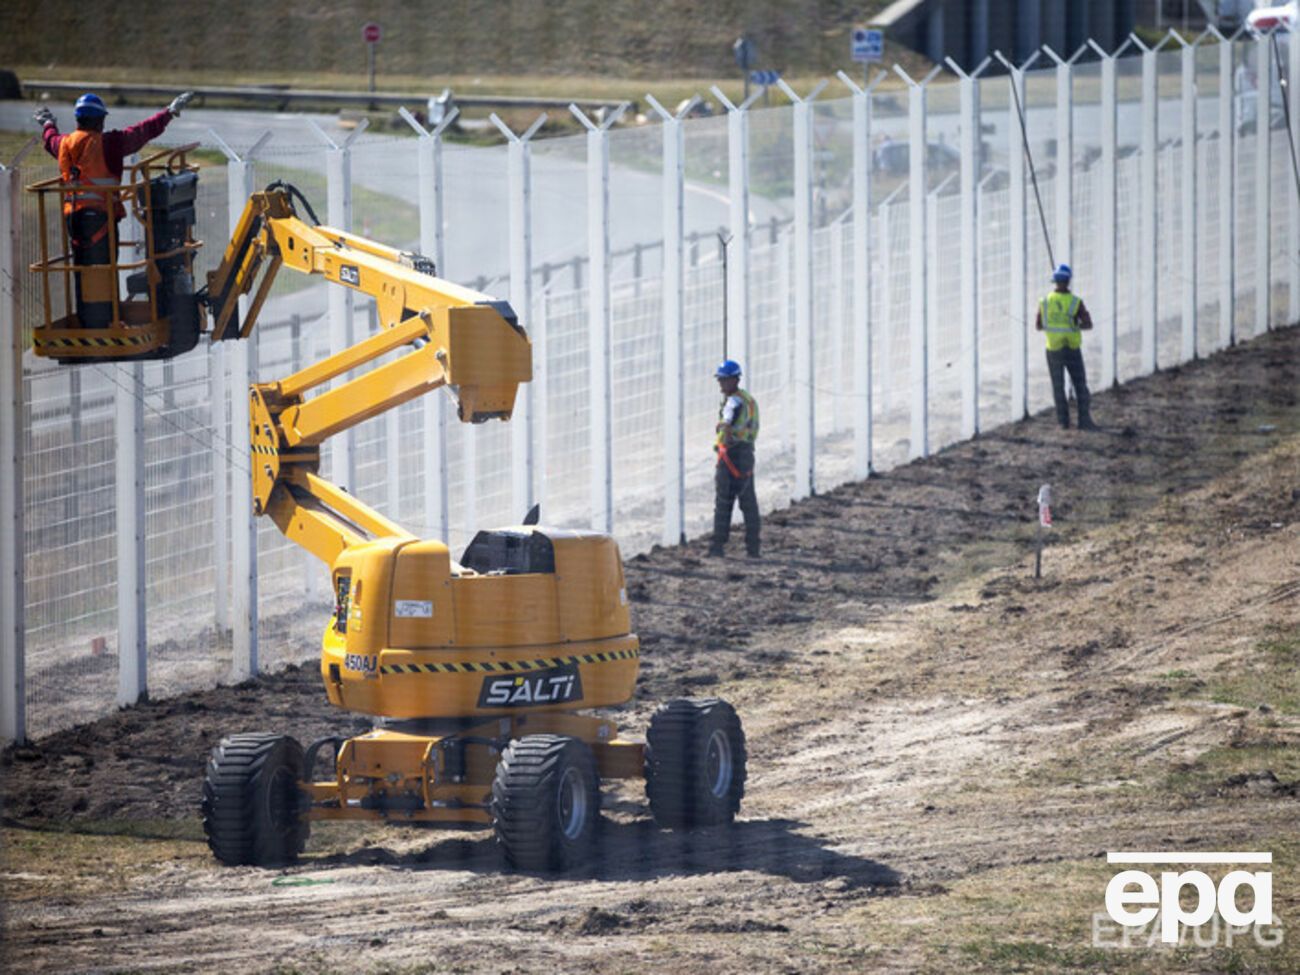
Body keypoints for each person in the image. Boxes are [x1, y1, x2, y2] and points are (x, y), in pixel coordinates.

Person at [34, 90, 193, 326]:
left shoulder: (65, 143)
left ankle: (90, 318)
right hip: (102, 218)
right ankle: (106, 319)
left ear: (78, 119)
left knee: (83, 268)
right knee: (106, 267)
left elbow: (51, 141)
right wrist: (169, 113)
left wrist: (48, 123)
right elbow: (141, 132)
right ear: (100, 120)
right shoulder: (110, 143)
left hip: (75, 220)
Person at [1035, 263, 1098, 431]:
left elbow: (1039, 326)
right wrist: (1074, 323)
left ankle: (1063, 423)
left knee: (1058, 387)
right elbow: (1088, 324)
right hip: (1072, 350)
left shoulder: (1045, 302)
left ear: (1054, 281)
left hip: (1053, 350)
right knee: (1080, 385)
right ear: (1068, 281)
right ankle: (1084, 421)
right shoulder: (1075, 302)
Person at [708, 359, 761, 559]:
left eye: (724, 380)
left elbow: (727, 420)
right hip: (747, 454)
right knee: (749, 503)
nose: (721, 384)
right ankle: (753, 549)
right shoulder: (749, 400)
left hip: (730, 456)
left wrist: (724, 429)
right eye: (720, 380)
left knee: (723, 502)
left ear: (735, 379)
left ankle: (717, 547)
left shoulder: (732, 402)